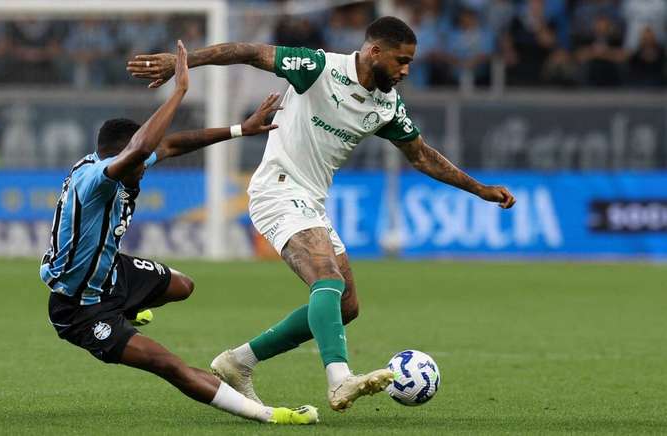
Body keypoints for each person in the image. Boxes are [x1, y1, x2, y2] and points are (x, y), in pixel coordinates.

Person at [128, 18, 516, 412]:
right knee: (326, 278)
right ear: (374, 52)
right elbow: (248, 52)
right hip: (277, 189)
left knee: (346, 305)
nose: (406, 71)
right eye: (401, 61)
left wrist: (479, 188)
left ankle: (238, 362)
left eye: (410, 63)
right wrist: (184, 62)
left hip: (310, 201)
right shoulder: (318, 67)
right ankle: (340, 380)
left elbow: (420, 155)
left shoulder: (387, 104)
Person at [41, 40, 317, 426]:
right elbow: (141, 148)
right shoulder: (96, 181)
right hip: (80, 306)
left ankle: (127, 308)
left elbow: (167, 144)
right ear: (121, 157)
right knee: (167, 363)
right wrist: (181, 91)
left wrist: (242, 128)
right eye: (140, 163)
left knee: (181, 286)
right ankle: (267, 415)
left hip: (110, 272)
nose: (146, 168)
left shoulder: (111, 163)